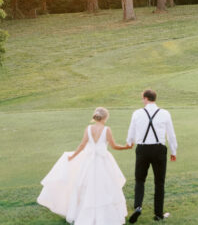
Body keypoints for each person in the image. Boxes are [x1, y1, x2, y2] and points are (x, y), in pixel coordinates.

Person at [37, 107, 132, 225]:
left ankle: (83, 214)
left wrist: (73, 157)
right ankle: (106, 217)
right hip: (103, 162)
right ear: (105, 117)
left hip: (89, 162)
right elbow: (113, 146)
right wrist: (126, 147)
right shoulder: (107, 129)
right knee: (105, 186)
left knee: (86, 186)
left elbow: (82, 145)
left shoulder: (88, 129)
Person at [126, 89, 178, 222]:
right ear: (154, 99)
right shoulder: (165, 113)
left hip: (142, 149)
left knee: (140, 180)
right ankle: (158, 214)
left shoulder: (137, 113)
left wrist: (129, 142)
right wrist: (173, 151)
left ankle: (138, 207)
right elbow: (171, 135)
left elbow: (131, 132)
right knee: (159, 182)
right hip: (158, 149)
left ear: (145, 98)